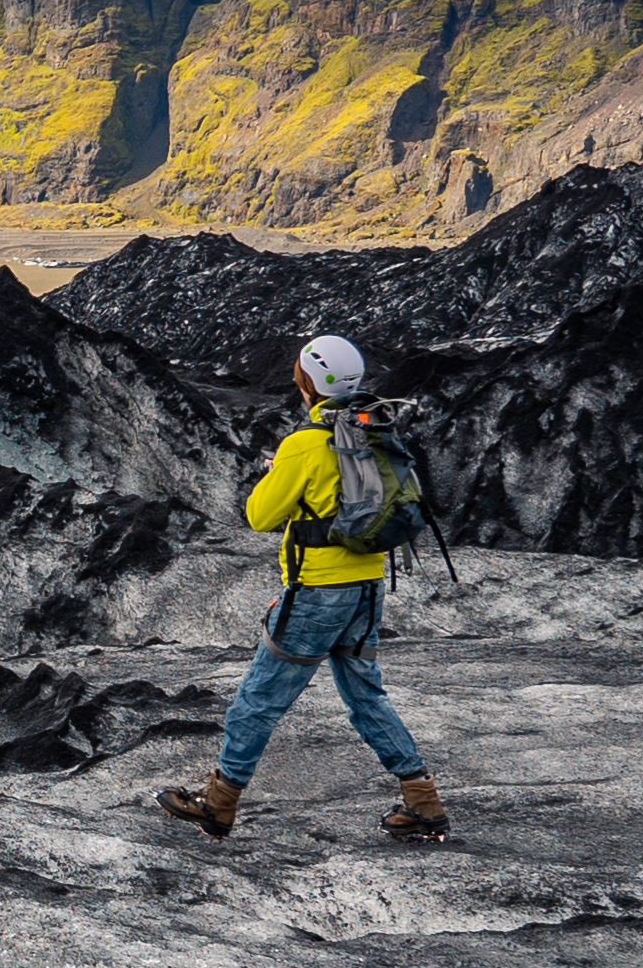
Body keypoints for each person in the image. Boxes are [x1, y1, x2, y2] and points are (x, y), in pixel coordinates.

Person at [157, 333, 450, 842]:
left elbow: (259, 516)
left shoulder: (305, 444)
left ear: (308, 380)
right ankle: (423, 802)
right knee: (366, 698)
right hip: (367, 587)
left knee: (256, 701)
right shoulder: (373, 430)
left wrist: (278, 474)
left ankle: (219, 805)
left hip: (317, 594)